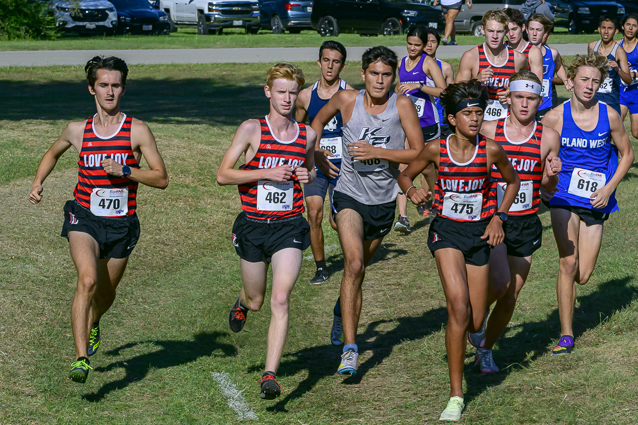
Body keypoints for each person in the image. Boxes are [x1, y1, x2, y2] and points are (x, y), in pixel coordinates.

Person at [28, 56, 169, 383]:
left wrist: (126, 170)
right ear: (92, 88)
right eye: (103, 85)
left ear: (123, 88)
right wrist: (38, 182)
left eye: (116, 85)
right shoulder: (78, 130)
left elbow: (162, 178)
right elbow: (52, 153)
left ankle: (93, 323)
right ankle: (80, 358)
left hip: (122, 224)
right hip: (84, 217)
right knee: (88, 280)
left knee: (105, 294)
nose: (110, 92)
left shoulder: (137, 130)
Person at [398, 79, 520, 422]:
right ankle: (456, 394)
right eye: (467, 113)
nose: (475, 119)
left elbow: (512, 182)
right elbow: (406, 175)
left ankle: (475, 342)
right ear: (452, 119)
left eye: (479, 113)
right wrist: (412, 193)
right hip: (446, 233)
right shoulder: (437, 149)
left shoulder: (491, 150)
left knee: (476, 319)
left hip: (479, 233)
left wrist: (499, 216)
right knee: (459, 307)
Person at [311, 46, 424, 372]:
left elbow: (416, 151)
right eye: (374, 74)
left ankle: (339, 310)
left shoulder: (401, 105)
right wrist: (317, 153)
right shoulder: (348, 101)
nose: (379, 80)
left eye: (386, 75)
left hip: (384, 202)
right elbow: (315, 123)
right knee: (355, 263)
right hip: (348, 196)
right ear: (363, 75)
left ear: (393, 77)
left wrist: (379, 151)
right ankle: (350, 347)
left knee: (356, 272)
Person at [217, 63, 317, 399]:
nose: (287, 98)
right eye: (281, 92)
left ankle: (269, 374)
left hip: (288, 225)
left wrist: (308, 177)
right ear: (268, 92)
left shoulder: (307, 135)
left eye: (292, 92)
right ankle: (242, 301)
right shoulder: (251, 129)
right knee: (258, 300)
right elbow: (223, 175)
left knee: (281, 297)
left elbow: (311, 171)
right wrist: (265, 173)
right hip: (253, 226)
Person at [467, 70, 562, 373]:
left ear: (540, 100)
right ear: (508, 98)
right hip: (493, 219)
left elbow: (547, 189)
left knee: (510, 298)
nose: (524, 104)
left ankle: (485, 349)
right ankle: (470, 316)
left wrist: (551, 175)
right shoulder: (491, 131)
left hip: (526, 222)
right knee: (499, 282)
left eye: (531, 98)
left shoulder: (547, 137)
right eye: (519, 97)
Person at [542, 54, 634, 356]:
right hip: (564, 196)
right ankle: (566, 334)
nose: (590, 86)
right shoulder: (555, 117)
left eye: (596, 81)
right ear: (570, 81)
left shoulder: (609, 115)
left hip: (596, 199)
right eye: (584, 79)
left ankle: (570, 303)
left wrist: (609, 188)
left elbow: (627, 154)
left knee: (583, 274)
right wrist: (545, 177)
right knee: (568, 263)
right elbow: (536, 151)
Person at [296, 41, 354, 284]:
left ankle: (353, 258)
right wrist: (310, 152)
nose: (330, 66)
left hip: (344, 168)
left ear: (342, 65)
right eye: (326, 60)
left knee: (336, 220)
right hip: (316, 167)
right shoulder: (305, 96)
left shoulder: (351, 94)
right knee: (314, 213)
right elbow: (297, 129)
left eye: (336, 61)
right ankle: (321, 267)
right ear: (319, 62)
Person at [394, 26, 447, 233]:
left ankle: (439, 203)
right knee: (402, 167)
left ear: (424, 45)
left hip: (427, 123)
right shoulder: (402, 63)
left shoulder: (429, 62)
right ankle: (403, 217)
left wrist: (420, 86)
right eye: (410, 44)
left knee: (427, 168)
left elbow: (444, 91)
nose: (413, 48)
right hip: (407, 123)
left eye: (417, 45)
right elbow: (399, 88)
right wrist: (398, 91)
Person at [456, 10, 528, 122]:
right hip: (478, 121)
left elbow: (527, 90)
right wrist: (476, 80)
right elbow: (456, 92)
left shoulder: (519, 59)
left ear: (506, 32)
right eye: (490, 31)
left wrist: (512, 93)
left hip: (508, 120)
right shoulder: (471, 56)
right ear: (482, 30)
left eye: (499, 31)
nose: (495, 36)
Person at [587, 16, 632, 115]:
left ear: (615, 31)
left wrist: (618, 70)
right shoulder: (592, 47)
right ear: (599, 29)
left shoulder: (619, 51)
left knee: (612, 130)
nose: (606, 32)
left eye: (610, 28)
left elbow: (628, 80)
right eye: (603, 28)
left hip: (611, 101)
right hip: (593, 99)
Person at [527, 13, 569, 120]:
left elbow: (558, 67)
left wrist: (565, 80)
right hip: (526, 104)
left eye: (538, 30)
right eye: (531, 29)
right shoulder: (520, 54)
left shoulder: (552, 53)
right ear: (526, 30)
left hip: (545, 103)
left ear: (545, 32)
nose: (534, 33)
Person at [503, 8, 544, 82]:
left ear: (523, 27)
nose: (511, 34)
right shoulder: (501, 48)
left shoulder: (533, 52)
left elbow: (537, 83)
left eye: (514, 29)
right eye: (507, 30)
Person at [619, 14, 638, 139]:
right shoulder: (616, 45)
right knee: (615, 127)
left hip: (636, 92)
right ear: (622, 26)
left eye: (634, 25)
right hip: (621, 92)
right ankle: (620, 156)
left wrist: (635, 74)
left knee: (636, 133)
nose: (630, 28)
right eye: (628, 25)